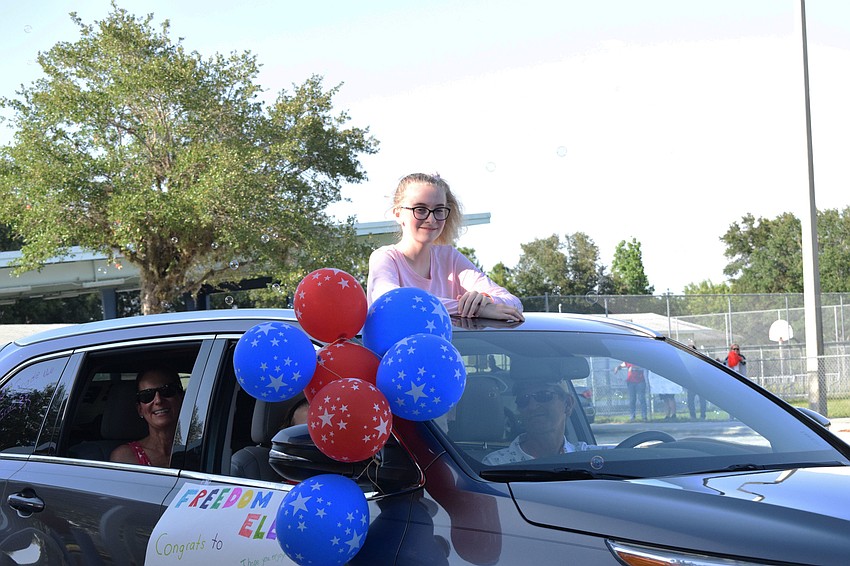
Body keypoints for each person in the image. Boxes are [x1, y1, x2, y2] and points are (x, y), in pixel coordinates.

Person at [366, 172, 524, 322]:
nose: (431, 218)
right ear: (398, 214)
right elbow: (393, 300)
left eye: (439, 210)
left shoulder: (449, 257)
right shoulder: (385, 257)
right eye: (420, 209)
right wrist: (474, 310)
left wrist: (485, 300)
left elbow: (514, 303)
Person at [482, 378, 594, 465]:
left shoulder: (589, 458)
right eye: (523, 400)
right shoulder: (496, 465)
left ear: (568, 404)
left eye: (543, 396)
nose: (532, 406)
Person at [109, 366, 184, 467]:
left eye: (167, 391)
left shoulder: (204, 447)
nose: (158, 400)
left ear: (182, 398)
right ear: (140, 410)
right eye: (147, 395)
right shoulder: (125, 458)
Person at [686, 343, 707, 420]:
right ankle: (693, 416)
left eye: (692, 349)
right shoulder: (685, 360)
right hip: (690, 384)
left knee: (702, 400)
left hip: (700, 383)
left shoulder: (699, 360)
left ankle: (702, 416)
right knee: (690, 401)